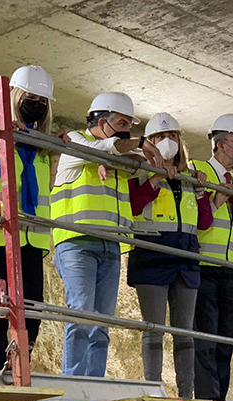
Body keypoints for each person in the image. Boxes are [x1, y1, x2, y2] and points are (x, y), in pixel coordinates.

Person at [52, 92, 165, 377]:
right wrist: (135, 144)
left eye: (130, 124)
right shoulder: (74, 142)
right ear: (101, 121)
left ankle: (94, 384)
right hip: (77, 242)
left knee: (101, 323)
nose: (127, 129)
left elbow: (135, 157)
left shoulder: (116, 154)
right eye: (121, 122)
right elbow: (103, 148)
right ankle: (74, 383)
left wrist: (126, 152)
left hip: (110, 246)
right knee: (80, 314)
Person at [0, 65, 55, 370]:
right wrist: (0, 153)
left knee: (33, 309)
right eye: (31, 98)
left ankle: (19, 364)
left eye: (43, 102)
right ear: (15, 96)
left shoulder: (42, 145)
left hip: (29, 238)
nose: (37, 105)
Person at [128, 113, 212, 398]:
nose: (168, 142)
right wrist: (154, 180)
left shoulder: (189, 178)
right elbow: (133, 206)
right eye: (160, 138)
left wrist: (201, 193)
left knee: (184, 332)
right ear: (149, 143)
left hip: (186, 259)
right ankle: (154, 389)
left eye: (173, 136)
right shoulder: (138, 171)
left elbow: (204, 223)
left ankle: (185, 393)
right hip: (152, 253)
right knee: (153, 328)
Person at [190, 114, 233, 401]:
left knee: (224, 342)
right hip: (203, 265)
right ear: (219, 144)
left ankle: (220, 399)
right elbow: (194, 217)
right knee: (205, 338)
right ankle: (207, 398)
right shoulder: (197, 170)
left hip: (231, 271)